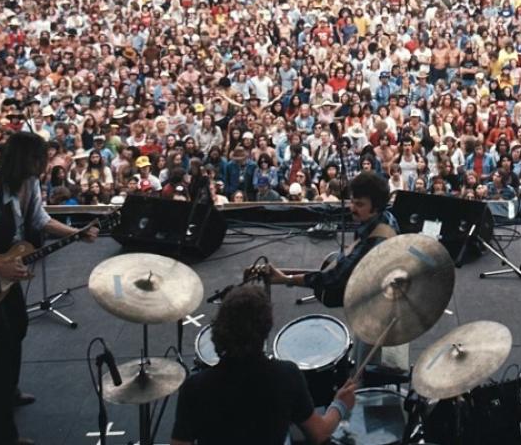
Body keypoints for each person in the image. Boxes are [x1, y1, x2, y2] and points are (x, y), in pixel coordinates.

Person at [0, 131, 97, 445]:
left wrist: (76, 233)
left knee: (18, 328)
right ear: (28, 160)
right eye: (41, 157)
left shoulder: (30, 185)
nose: (47, 162)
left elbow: (41, 219)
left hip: (8, 273)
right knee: (0, 350)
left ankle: (9, 391)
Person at [170, 285, 358, 445]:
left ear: (219, 327)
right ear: (266, 328)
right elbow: (319, 433)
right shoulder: (286, 375)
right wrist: (340, 405)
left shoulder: (194, 387)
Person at [265, 170, 403, 373]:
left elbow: (333, 279)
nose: (352, 208)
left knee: (365, 370)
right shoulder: (386, 219)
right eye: (352, 202)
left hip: (375, 311)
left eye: (359, 204)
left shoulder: (375, 241)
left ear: (376, 207)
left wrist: (287, 279)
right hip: (379, 298)